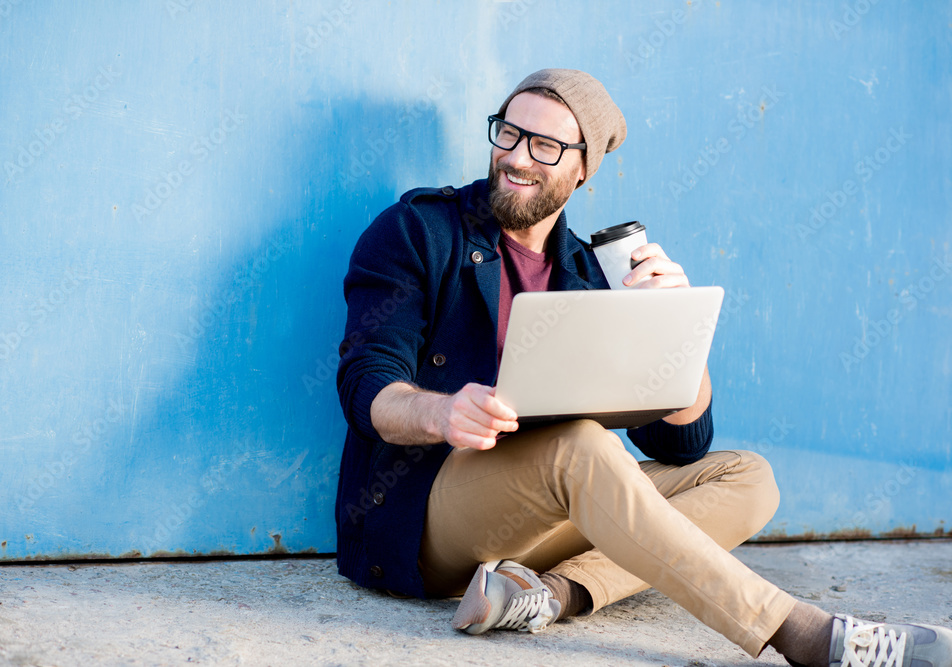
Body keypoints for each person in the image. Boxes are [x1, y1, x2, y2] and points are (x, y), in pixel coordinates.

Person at [334, 68, 952, 667]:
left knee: (748, 477)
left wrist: (672, 331)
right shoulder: (417, 231)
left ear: (582, 168)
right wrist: (442, 412)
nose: (518, 157)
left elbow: (678, 443)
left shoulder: (589, 272)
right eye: (509, 133)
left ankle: (550, 594)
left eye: (545, 145)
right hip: (425, 517)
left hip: (544, 513)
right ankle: (802, 633)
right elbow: (367, 384)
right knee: (580, 445)